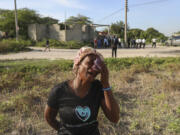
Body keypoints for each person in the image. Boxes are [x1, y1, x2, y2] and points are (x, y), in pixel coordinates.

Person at [44, 47, 120, 135]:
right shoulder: (59, 91)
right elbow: (49, 118)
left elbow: (114, 118)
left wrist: (105, 83)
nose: (94, 68)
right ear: (78, 63)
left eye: (97, 65)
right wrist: (65, 131)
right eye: (90, 63)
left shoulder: (98, 88)